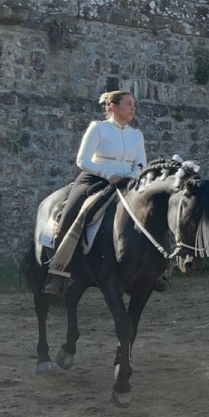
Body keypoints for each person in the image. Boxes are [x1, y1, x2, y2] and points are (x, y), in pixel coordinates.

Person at [42, 91, 148, 296]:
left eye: (134, 104)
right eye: (128, 104)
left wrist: (134, 175)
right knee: (70, 215)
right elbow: (83, 160)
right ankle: (58, 271)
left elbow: (142, 162)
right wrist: (108, 174)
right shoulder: (98, 128)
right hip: (96, 180)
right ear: (113, 107)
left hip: (129, 183)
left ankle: (154, 269)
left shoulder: (137, 135)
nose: (133, 108)